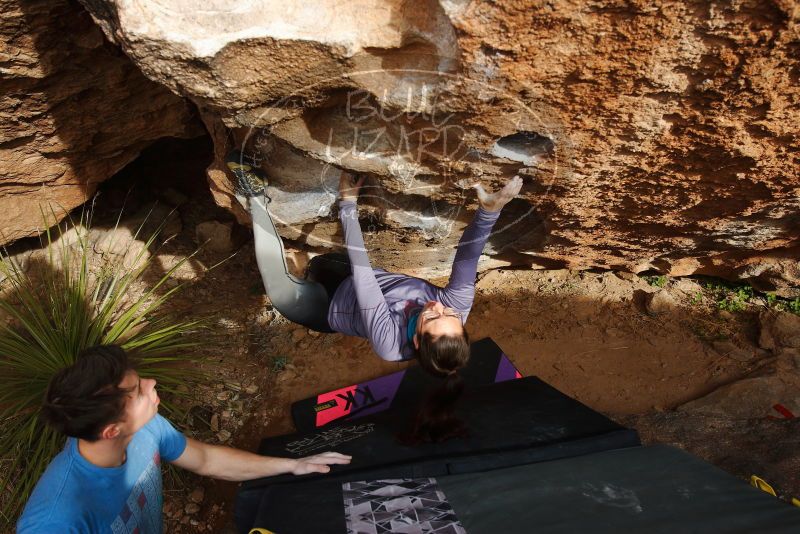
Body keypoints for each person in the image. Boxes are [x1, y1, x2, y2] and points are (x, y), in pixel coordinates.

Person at [227, 151, 522, 442]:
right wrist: (488, 213)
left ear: (417, 341)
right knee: (318, 265)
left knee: (279, 289)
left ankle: (254, 196)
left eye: (431, 317)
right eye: (450, 316)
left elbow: (364, 278)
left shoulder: (389, 344)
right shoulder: (455, 308)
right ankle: (308, 265)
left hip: (326, 308)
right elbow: (467, 260)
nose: (438, 306)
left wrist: (348, 204)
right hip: (343, 271)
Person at [17, 345, 351, 532]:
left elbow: (207, 460)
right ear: (111, 431)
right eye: (137, 391)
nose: (150, 383)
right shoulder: (55, 519)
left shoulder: (145, 428)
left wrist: (292, 466)